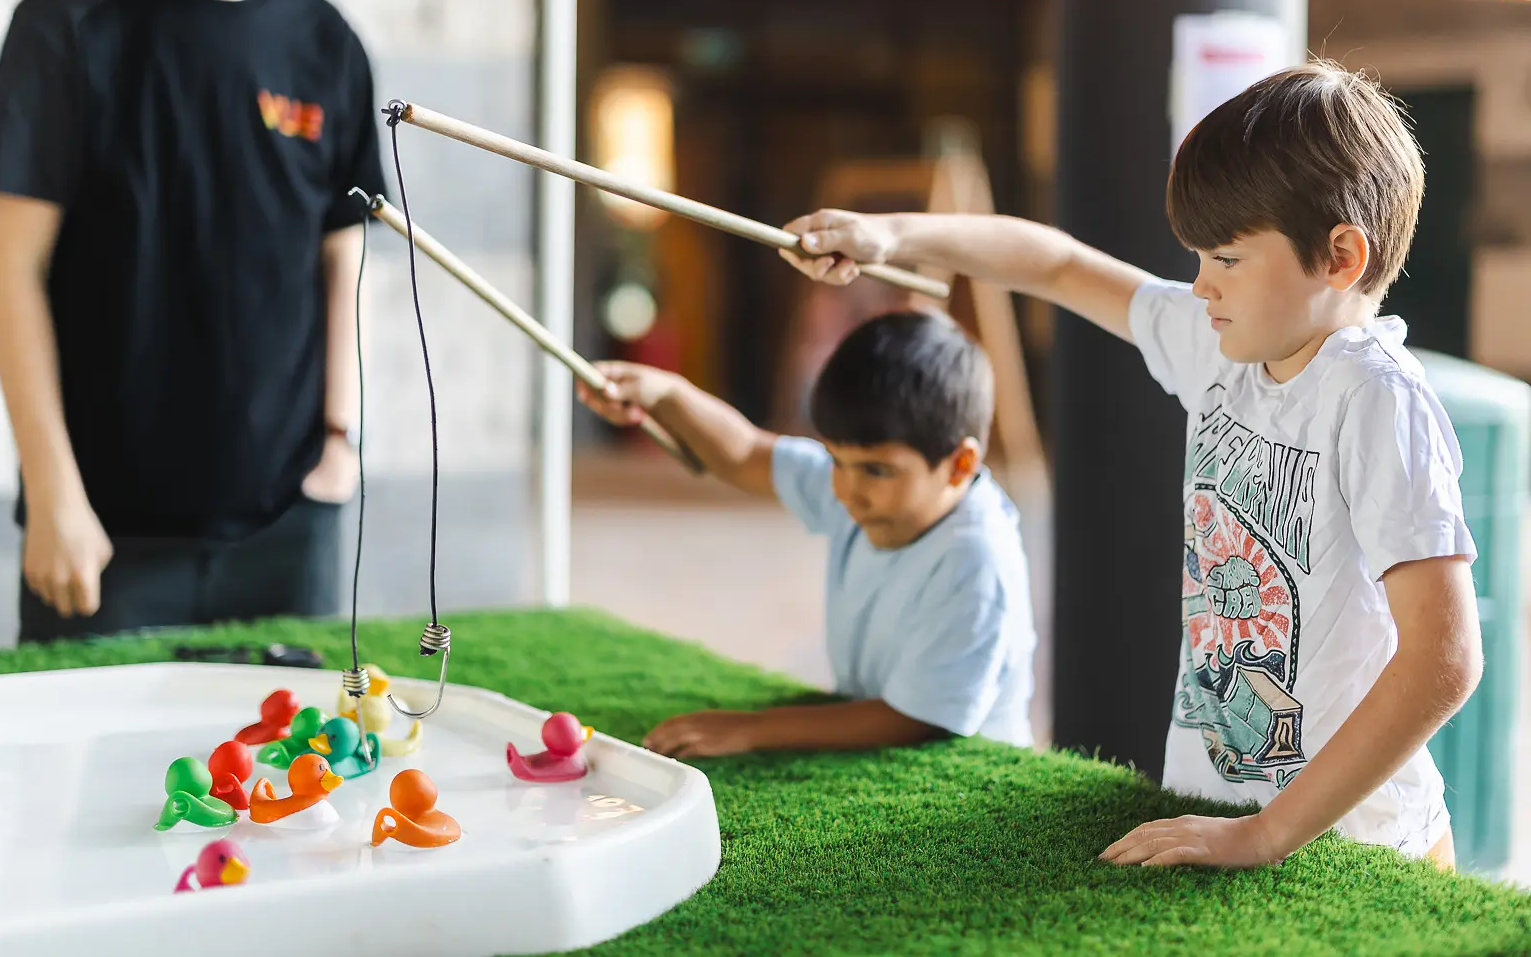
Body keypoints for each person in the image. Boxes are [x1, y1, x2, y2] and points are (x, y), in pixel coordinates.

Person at [779, 61, 1483, 871]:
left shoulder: (1376, 399)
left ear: (1340, 257)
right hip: (1218, 806)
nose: (1199, 285)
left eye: (1226, 258)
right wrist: (892, 237)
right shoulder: (1221, 345)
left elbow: (1445, 656)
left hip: (1356, 843)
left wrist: (1263, 833)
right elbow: (1058, 266)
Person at [0, 0, 386, 643]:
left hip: (289, 519)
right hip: (103, 525)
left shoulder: (327, 42)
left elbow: (342, 252)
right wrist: (53, 487)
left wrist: (338, 437)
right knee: (87, 758)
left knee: (301, 760)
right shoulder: (66, 23)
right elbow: (12, 271)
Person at [577, 309, 1037, 759]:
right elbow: (745, 453)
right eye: (836, 460)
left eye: (877, 470)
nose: (847, 489)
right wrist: (666, 393)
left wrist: (752, 729)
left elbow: (915, 719)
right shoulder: (865, 490)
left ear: (960, 465)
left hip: (962, 769)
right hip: (872, 733)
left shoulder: (976, 560)